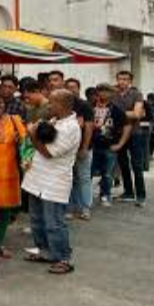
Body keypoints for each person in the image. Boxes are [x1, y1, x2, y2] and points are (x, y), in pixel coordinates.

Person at [22, 90, 81, 275]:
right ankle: (45, 251)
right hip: (38, 178)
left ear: (63, 105)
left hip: (54, 182)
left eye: (52, 103)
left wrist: (32, 134)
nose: (48, 105)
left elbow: (49, 152)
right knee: (37, 219)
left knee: (54, 222)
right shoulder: (55, 120)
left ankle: (63, 258)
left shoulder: (70, 128)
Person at [0, 93, 25, 259]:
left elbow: (26, 142)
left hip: (9, 172)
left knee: (4, 213)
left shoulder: (14, 120)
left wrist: (19, 140)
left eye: (1, 102)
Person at [112, 71, 147, 205]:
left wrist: (117, 114)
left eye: (126, 79)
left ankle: (141, 195)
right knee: (123, 165)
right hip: (118, 134)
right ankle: (128, 192)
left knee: (137, 165)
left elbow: (137, 114)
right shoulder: (112, 94)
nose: (122, 82)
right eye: (120, 79)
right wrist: (128, 113)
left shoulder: (136, 94)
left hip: (135, 133)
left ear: (130, 81)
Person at [92, 84, 130, 207]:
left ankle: (105, 195)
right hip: (92, 146)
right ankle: (86, 197)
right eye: (101, 90)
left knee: (107, 174)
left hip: (109, 146)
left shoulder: (116, 110)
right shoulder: (90, 108)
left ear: (111, 93)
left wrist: (120, 144)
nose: (103, 93)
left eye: (106, 91)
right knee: (89, 173)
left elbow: (127, 126)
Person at [64, 78, 95, 220]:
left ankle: (85, 207)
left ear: (79, 88)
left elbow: (89, 128)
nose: (71, 89)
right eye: (68, 87)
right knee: (70, 179)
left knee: (84, 178)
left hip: (83, 147)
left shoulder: (84, 106)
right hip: (67, 149)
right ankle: (70, 207)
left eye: (74, 87)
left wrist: (85, 147)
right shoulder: (64, 105)